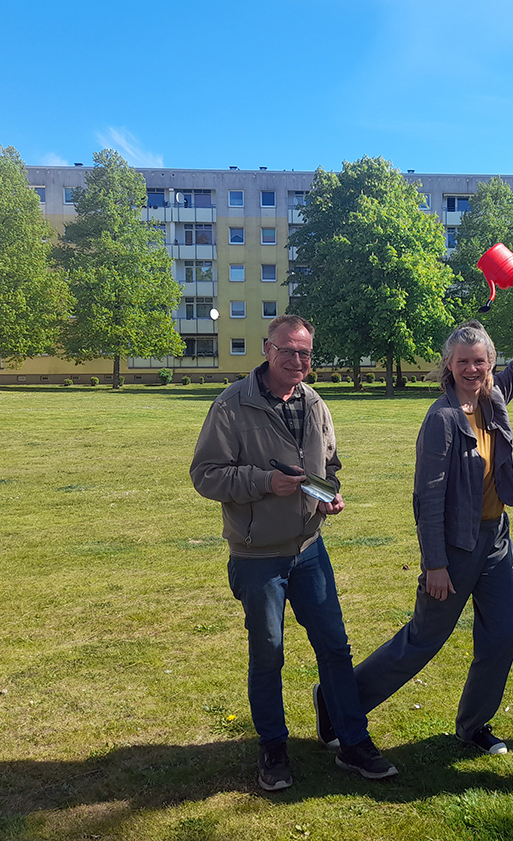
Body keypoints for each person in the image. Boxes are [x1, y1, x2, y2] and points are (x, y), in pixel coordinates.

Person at [312, 271, 513, 755]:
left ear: (490, 363)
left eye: (480, 361)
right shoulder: (441, 419)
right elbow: (428, 498)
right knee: (424, 639)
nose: (472, 369)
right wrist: (435, 564)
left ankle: (473, 725)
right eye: (463, 361)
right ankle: (338, 701)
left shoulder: (494, 398)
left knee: (501, 637)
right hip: (455, 545)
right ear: (449, 364)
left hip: (496, 539)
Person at [190, 314, 397, 792]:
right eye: (287, 350)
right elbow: (206, 475)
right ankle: (273, 747)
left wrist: (330, 495)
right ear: (267, 350)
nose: (297, 360)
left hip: (308, 549)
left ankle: (353, 741)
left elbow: (330, 464)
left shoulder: (313, 401)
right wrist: (265, 481)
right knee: (268, 654)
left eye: (305, 352)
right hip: (257, 556)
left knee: (335, 647)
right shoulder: (232, 405)